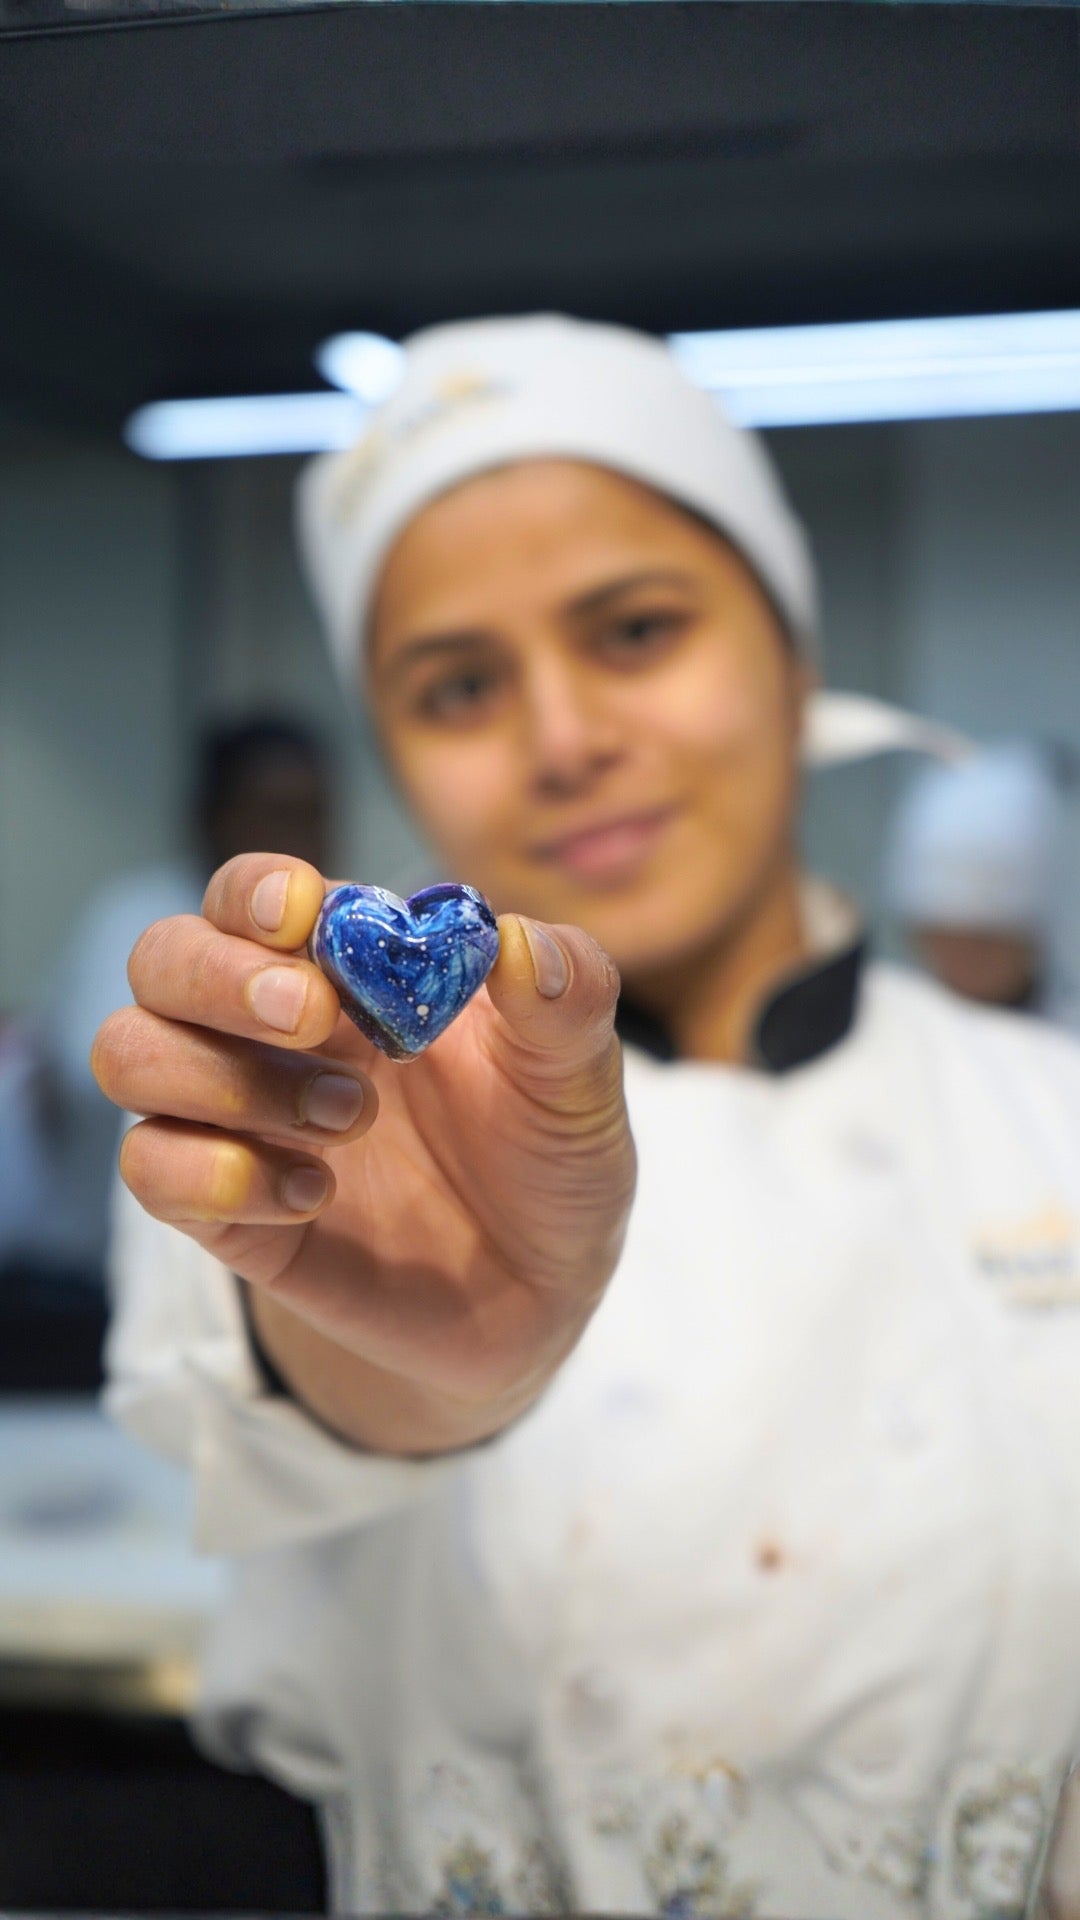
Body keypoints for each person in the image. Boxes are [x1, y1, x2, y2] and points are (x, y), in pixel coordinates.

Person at [92, 316, 1080, 1920]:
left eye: (634, 630)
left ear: (793, 653)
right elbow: (298, 1390)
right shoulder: (308, 1122)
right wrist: (431, 1351)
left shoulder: (1055, 1117)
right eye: (460, 684)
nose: (563, 741)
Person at [4, 718, 332, 1279]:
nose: (299, 835)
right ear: (213, 817)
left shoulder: (333, 931)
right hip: (74, 1265)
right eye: (276, 812)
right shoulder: (137, 913)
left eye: (314, 813)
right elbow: (96, 1073)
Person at [884, 741, 1079, 1031]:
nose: (966, 960)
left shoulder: (1064, 1044)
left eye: (985, 939)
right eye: (946, 935)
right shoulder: (892, 1033)